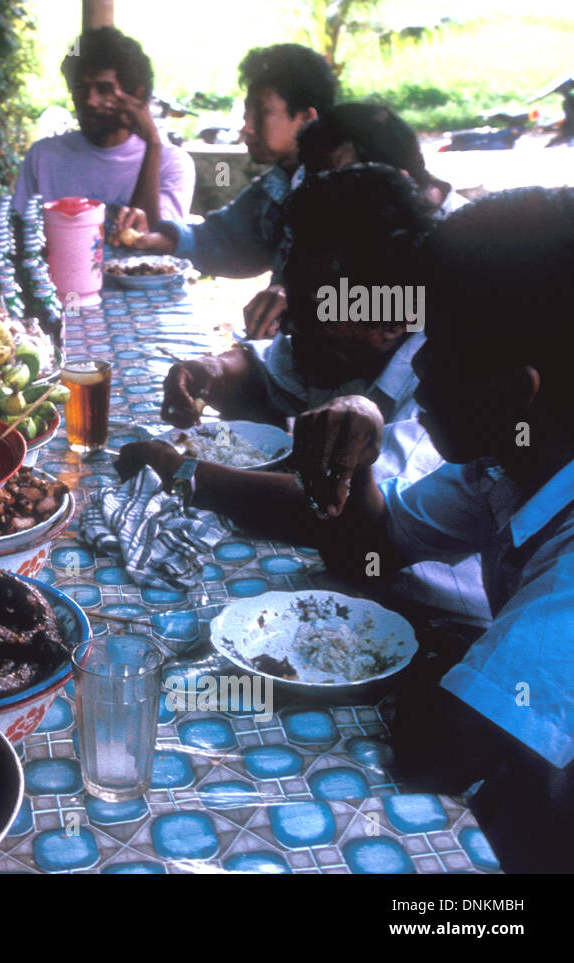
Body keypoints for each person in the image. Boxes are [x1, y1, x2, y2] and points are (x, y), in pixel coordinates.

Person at [284, 188, 574, 872]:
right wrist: (355, 450)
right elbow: (377, 548)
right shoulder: (509, 461)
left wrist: (442, 662)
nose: (415, 366)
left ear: (515, 393)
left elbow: (444, 748)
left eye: (437, 346)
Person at [116, 164, 489, 626]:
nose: (288, 325)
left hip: (430, 621)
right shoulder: (340, 341)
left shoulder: (440, 397)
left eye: (311, 314)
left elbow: (334, 514)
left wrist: (185, 473)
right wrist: (209, 371)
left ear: (389, 323)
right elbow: (269, 366)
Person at [113, 44, 336, 337]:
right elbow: (229, 240)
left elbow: (388, 297)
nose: (247, 127)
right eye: (247, 111)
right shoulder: (280, 184)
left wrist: (304, 300)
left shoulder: (350, 194)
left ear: (307, 118)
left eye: (261, 112)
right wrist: (156, 241)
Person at [242, 102, 471, 339]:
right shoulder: (329, 214)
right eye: (316, 182)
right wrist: (287, 296)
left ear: (398, 182)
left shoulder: (469, 247)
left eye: (346, 182)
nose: (324, 198)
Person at [12, 26, 194, 228]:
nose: (90, 101)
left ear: (136, 95)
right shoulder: (44, 156)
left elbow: (154, 241)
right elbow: (21, 234)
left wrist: (153, 144)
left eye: (104, 89)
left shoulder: (171, 163)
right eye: (80, 89)